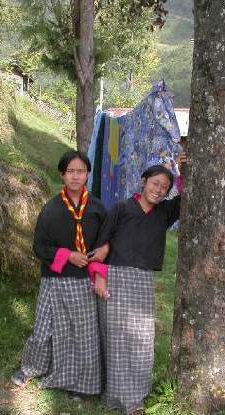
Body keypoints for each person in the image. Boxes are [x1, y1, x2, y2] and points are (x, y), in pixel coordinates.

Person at [11, 150, 109, 397]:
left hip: (83, 282)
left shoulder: (97, 208)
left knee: (84, 335)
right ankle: (30, 367)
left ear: (88, 175)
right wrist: (67, 255)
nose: (76, 176)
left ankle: (84, 384)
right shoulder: (51, 209)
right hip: (54, 280)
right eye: (70, 171)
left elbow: (104, 244)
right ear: (62, 175)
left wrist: (100, 264)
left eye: (81, 171)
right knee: (43, 328)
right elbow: (39, 247)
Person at [91, 162, 184, 415]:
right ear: (143, 182)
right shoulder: (121, 208)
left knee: (142, 338)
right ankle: (123, 399)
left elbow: (186, 199)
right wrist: (99, 277)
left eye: (164, 187)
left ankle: (136, 394)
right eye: (155, 183)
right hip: (116, 278)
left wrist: (186, 171)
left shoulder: (164, 213)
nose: (158, 189)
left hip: (142, 281)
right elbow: (101, 242)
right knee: (117, 339)